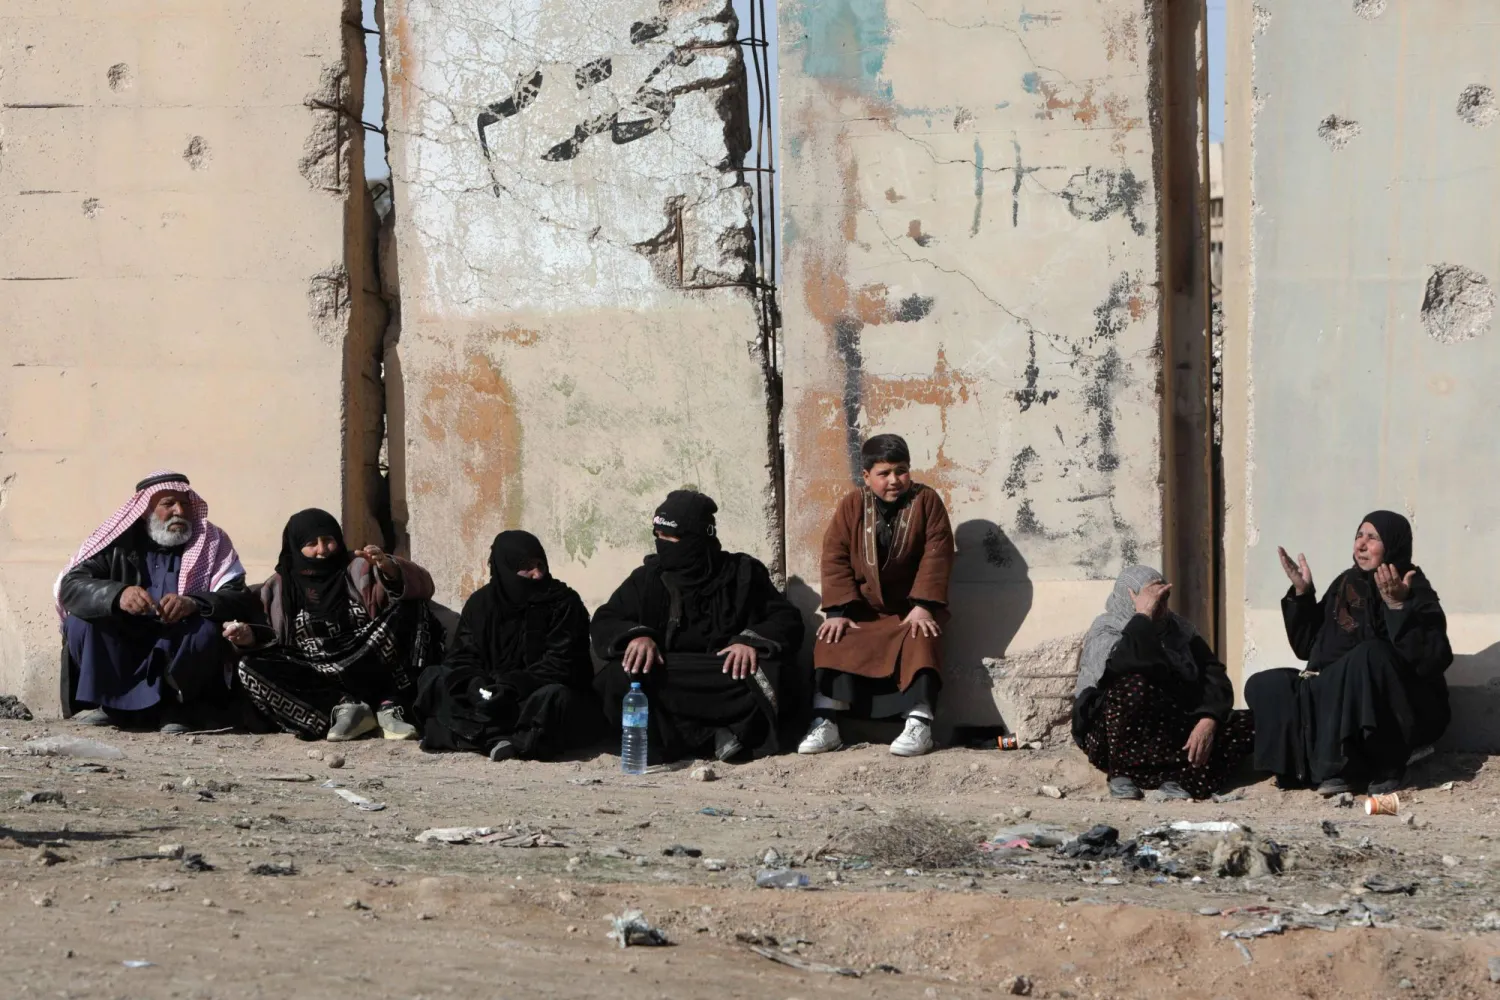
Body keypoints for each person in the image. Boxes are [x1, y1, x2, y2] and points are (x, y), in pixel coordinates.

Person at [1245, 511, 1451, 796]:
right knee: (1266, 684)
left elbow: (1432, 659)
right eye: (1359, 536)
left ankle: (1384, 763)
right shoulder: (1346, 583)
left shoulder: (1411, 585)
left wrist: (1397, 606)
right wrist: (1303, 595)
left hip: (1395, 702)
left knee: (1369, 655)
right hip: (1334, 688)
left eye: (1373, 538)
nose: (1361, 545)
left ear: (1393, 544)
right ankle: (1311, 770)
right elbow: (1308, 647)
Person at [592, 490, 803, 763]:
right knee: (619, 676)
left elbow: (786, 619)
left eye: (671, 537)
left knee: (776, 673)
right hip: (670, 671)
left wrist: (748, 642)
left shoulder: (742, 573)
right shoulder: (649, 578)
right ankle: (711, 736)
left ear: (698, 537)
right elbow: (606, 618)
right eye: (658, 536)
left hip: (723, 673)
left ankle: (694, 737)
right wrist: (638, 637)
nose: (662, 544)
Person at [56, 471, 257, 732]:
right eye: (168, 504)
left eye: (184, 504)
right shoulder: (116, 543)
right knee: (80, 622)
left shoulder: (212, 542)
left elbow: (238, 596)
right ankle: (111, 707)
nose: (179, 511)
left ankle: (178, 710)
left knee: (206, 629)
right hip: (125, 638)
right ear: (145, 510)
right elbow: (71, 586)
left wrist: (193, 602)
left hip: (179, 637)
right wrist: (117, 595)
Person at [798, 434, 955, 757]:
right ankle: (826, 721)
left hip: (910, 610)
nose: (894, 480)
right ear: (866, 476)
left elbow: (937, 554)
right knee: (832, 637)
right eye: (884, 473)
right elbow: (835, 556)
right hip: (863, 611)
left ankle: (919, 723)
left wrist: (924, 605)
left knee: (921, 636)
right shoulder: (852, 505)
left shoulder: (927, 501)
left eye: (901, 470)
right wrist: (839, 612)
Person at [228, 508, 442, 741]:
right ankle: (344, 711)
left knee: (414, 608)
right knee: (249, 666)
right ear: (295, 546)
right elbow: (270, 638)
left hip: (370, 658)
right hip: (315, 671)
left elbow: (424, 587)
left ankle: (392, 707)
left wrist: (389, 568)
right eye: (311, 543)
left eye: (328, 540)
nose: (322, 550)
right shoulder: (277, 588)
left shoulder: (360, 567)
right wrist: (248, 637)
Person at [414, 530, 598, 761]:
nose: (537, 574)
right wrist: (474, 684)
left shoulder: (564, 603)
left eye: (540, 565)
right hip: (488, 695)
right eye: (527, 567)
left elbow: (562, 664)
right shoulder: (481, 604)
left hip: (528, 695)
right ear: (505, 568)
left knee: (555, 698)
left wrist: (511, 686)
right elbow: (462, 656)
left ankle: (476, 737)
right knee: (434, 677)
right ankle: (499, 739)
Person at [1073, 565, 1254, 800]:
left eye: (1164, 597)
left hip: (1169, 732)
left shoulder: (1179, 629)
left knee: (1249, 723)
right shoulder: (1107, 628)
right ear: (1130, 597)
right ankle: (1124, 775)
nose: (1161, 605)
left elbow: (1215, 677)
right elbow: (1131, 663)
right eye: (1153, 598)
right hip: (1114, 738)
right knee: (1134, 685)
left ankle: (1176, 777)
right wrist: (1142, 617)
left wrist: (1208, 719)